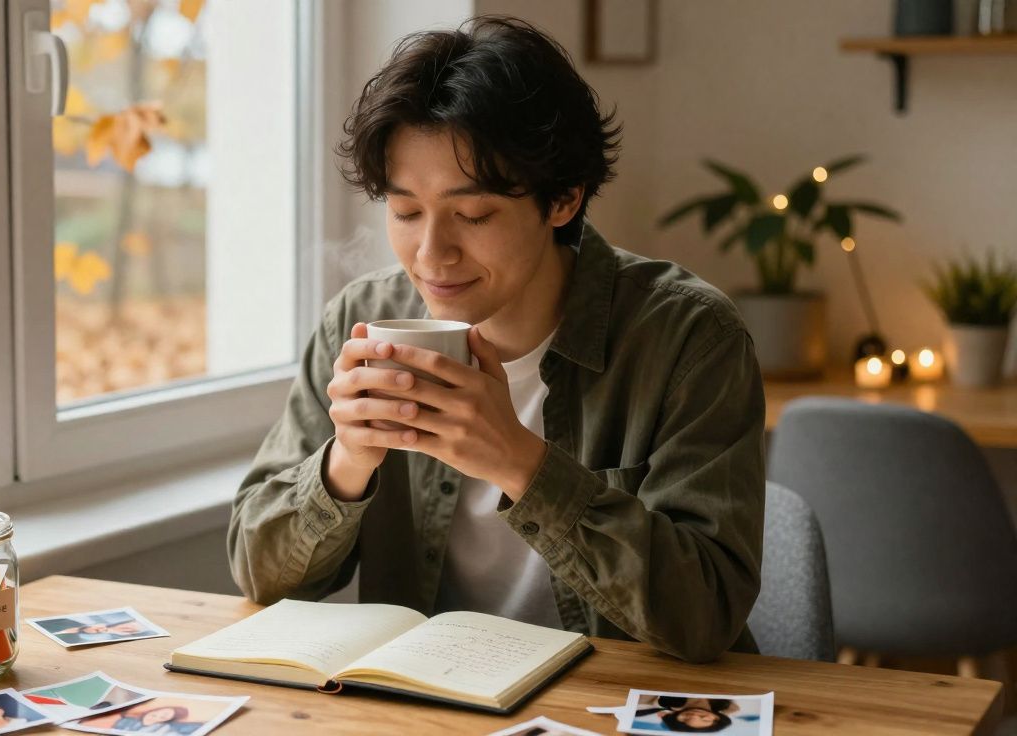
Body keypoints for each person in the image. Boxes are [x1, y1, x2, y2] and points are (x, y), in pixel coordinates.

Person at [228, 15, 765, 663]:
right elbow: (259, 575)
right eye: (404, 212)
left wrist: (517, 461)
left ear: (563, 199)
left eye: (473, 214)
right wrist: (346, 464)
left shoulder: (687, 337)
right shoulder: (361, 321)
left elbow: (705, 613)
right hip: (433, 702)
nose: (431, 254)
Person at [632, 696, 739, 733]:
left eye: (685, 719)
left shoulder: (664, 701)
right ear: (718, 717)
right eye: (704, 719)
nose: (695, 715)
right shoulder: (726, 705)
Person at [78, 704, 196, 734]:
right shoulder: (126, 721)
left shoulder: (165, 730)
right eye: (156, 713)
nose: (155, 717)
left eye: (163, 717)